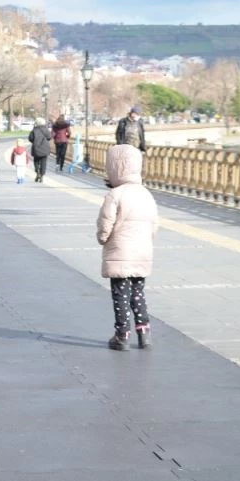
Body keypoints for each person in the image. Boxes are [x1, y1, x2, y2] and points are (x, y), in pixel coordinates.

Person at [96, 144, 158, 351]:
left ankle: (122, 335)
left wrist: (102, 237)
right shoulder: (146, 194)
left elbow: (106, 221)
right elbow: (154, 223)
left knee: (120, 295)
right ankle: (144, 332)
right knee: (138, 293)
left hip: (120, 252)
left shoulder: (115, 195)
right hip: (141, 251)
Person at [28, 117, 52, 182]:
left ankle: (37, 172)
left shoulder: (34, 130)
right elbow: (49, 137)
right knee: (44, 162)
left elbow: (30, 138)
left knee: (36, 161)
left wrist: (34, 141)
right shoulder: (46, 129)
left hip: (36, 148)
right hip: (45, 148)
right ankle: (42, 175)